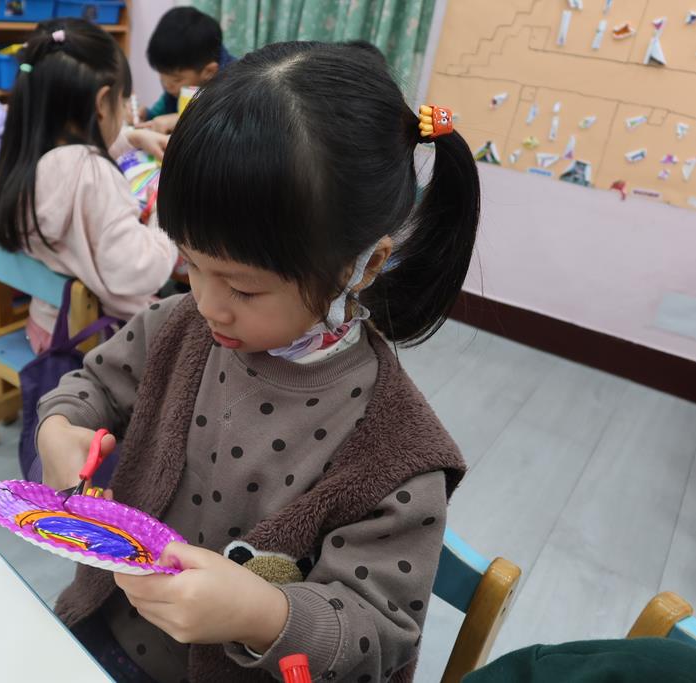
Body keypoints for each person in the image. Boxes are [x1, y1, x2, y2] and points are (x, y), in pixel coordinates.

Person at [35, 39, 482, 683]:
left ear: (363, 266)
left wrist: (261, 614)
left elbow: (380, 633)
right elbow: (93, 386)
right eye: (191, 262)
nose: (207, 303)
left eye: (243, 288)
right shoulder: (177, 325)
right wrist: (60, 427)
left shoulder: (396, 449)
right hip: (102, 631)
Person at [0, 19, 177, 354]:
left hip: (46, 327)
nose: (123, 113)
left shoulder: (23, 160)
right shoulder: (93, 175)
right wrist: (167, 210)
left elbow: (70, 164)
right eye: (122, 103)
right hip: (101, 344)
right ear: (102, 103)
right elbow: (142, 271)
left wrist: (131, 138)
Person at [138, 6, 235, 135]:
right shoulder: (174, 90)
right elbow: (159, 115)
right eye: (162, 76)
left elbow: (232, 127)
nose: (167, 86)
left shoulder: (237, 85)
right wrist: (146, 116)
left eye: (176, 80)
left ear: (209, 72)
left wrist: (183, 120)